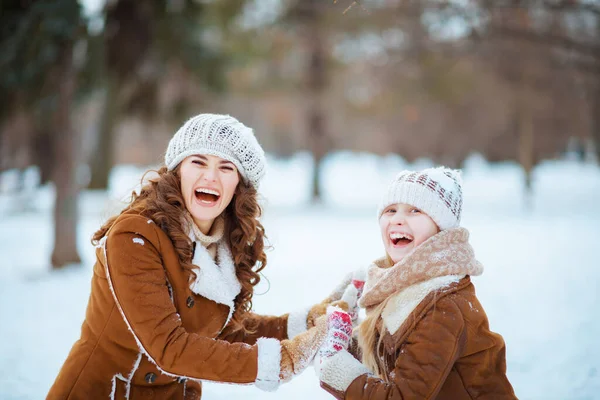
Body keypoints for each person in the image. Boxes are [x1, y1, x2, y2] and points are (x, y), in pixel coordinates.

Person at [47, 113, 359, 399]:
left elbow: (224, 328)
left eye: (226, 168)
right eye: (198, 162)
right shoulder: (135, 235)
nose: (211, 177)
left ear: (239, 185)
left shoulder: (223, 244)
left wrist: (305, 323)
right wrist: (282, 359)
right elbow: (169, 347)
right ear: (178, 170)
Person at [317, 167, 517, 399]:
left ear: (441, 229)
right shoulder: (401, 283)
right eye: (390, 210)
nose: (398, 219)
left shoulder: (440, 305)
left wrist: (340, 372)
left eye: (415, 210)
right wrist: (345, 340)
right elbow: (395, 359)